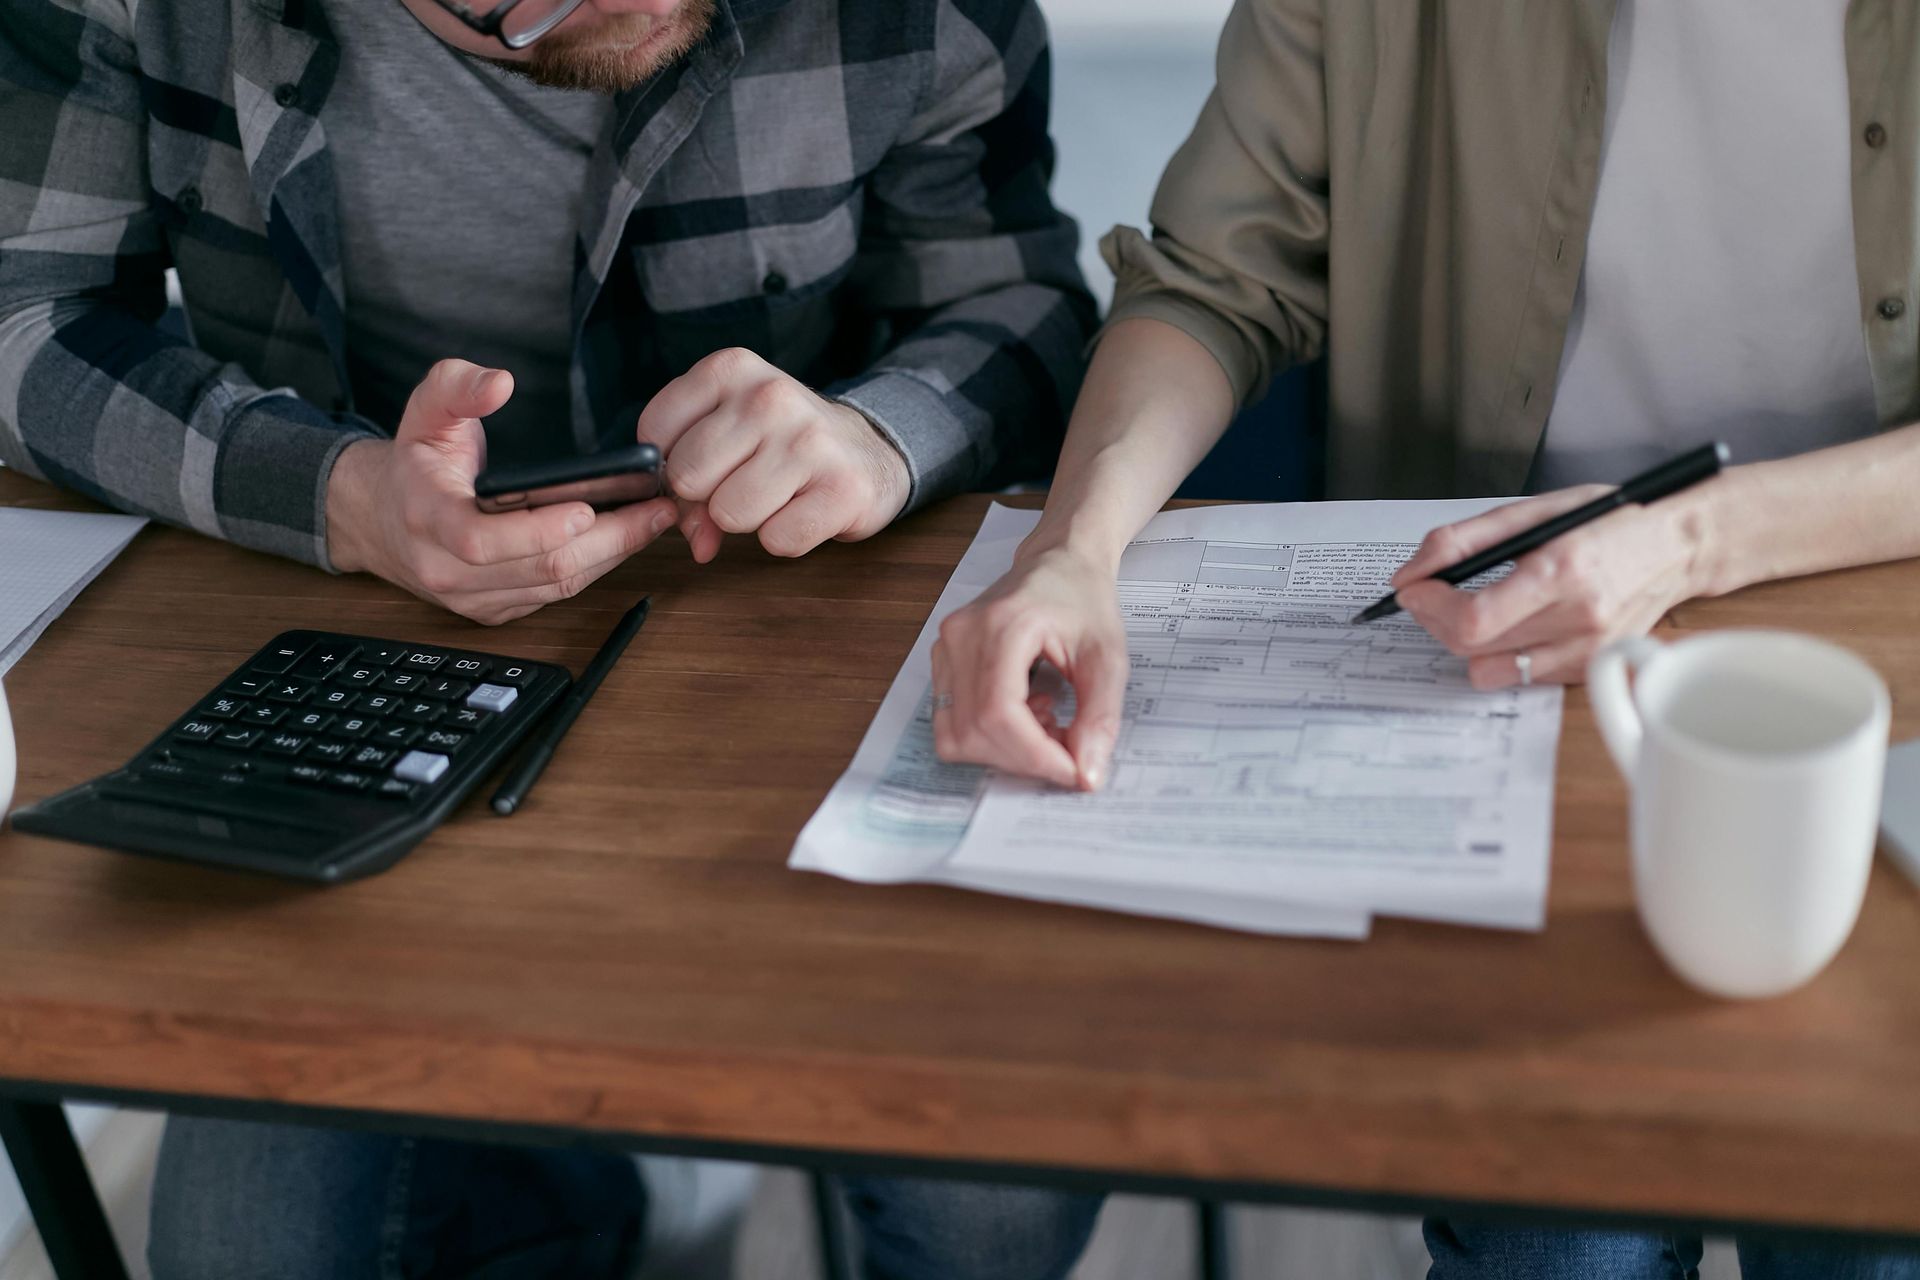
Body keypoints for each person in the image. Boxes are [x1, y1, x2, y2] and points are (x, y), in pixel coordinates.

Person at [0, 0, 1102, 1274]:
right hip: (351, 647)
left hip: (787, 642)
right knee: (246, 1242)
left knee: (994, 1202)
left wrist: (883, 431)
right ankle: (604, 1197)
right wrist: (336, 492)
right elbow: (27, 314)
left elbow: (1023, 300)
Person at [930, 0, 1920, 1276]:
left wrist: (1689, 539)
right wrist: (1074, 543)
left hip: (1869, 623)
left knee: (1869, 1194)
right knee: (1552, 1231)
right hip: (1485, 660)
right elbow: (1216, 276)